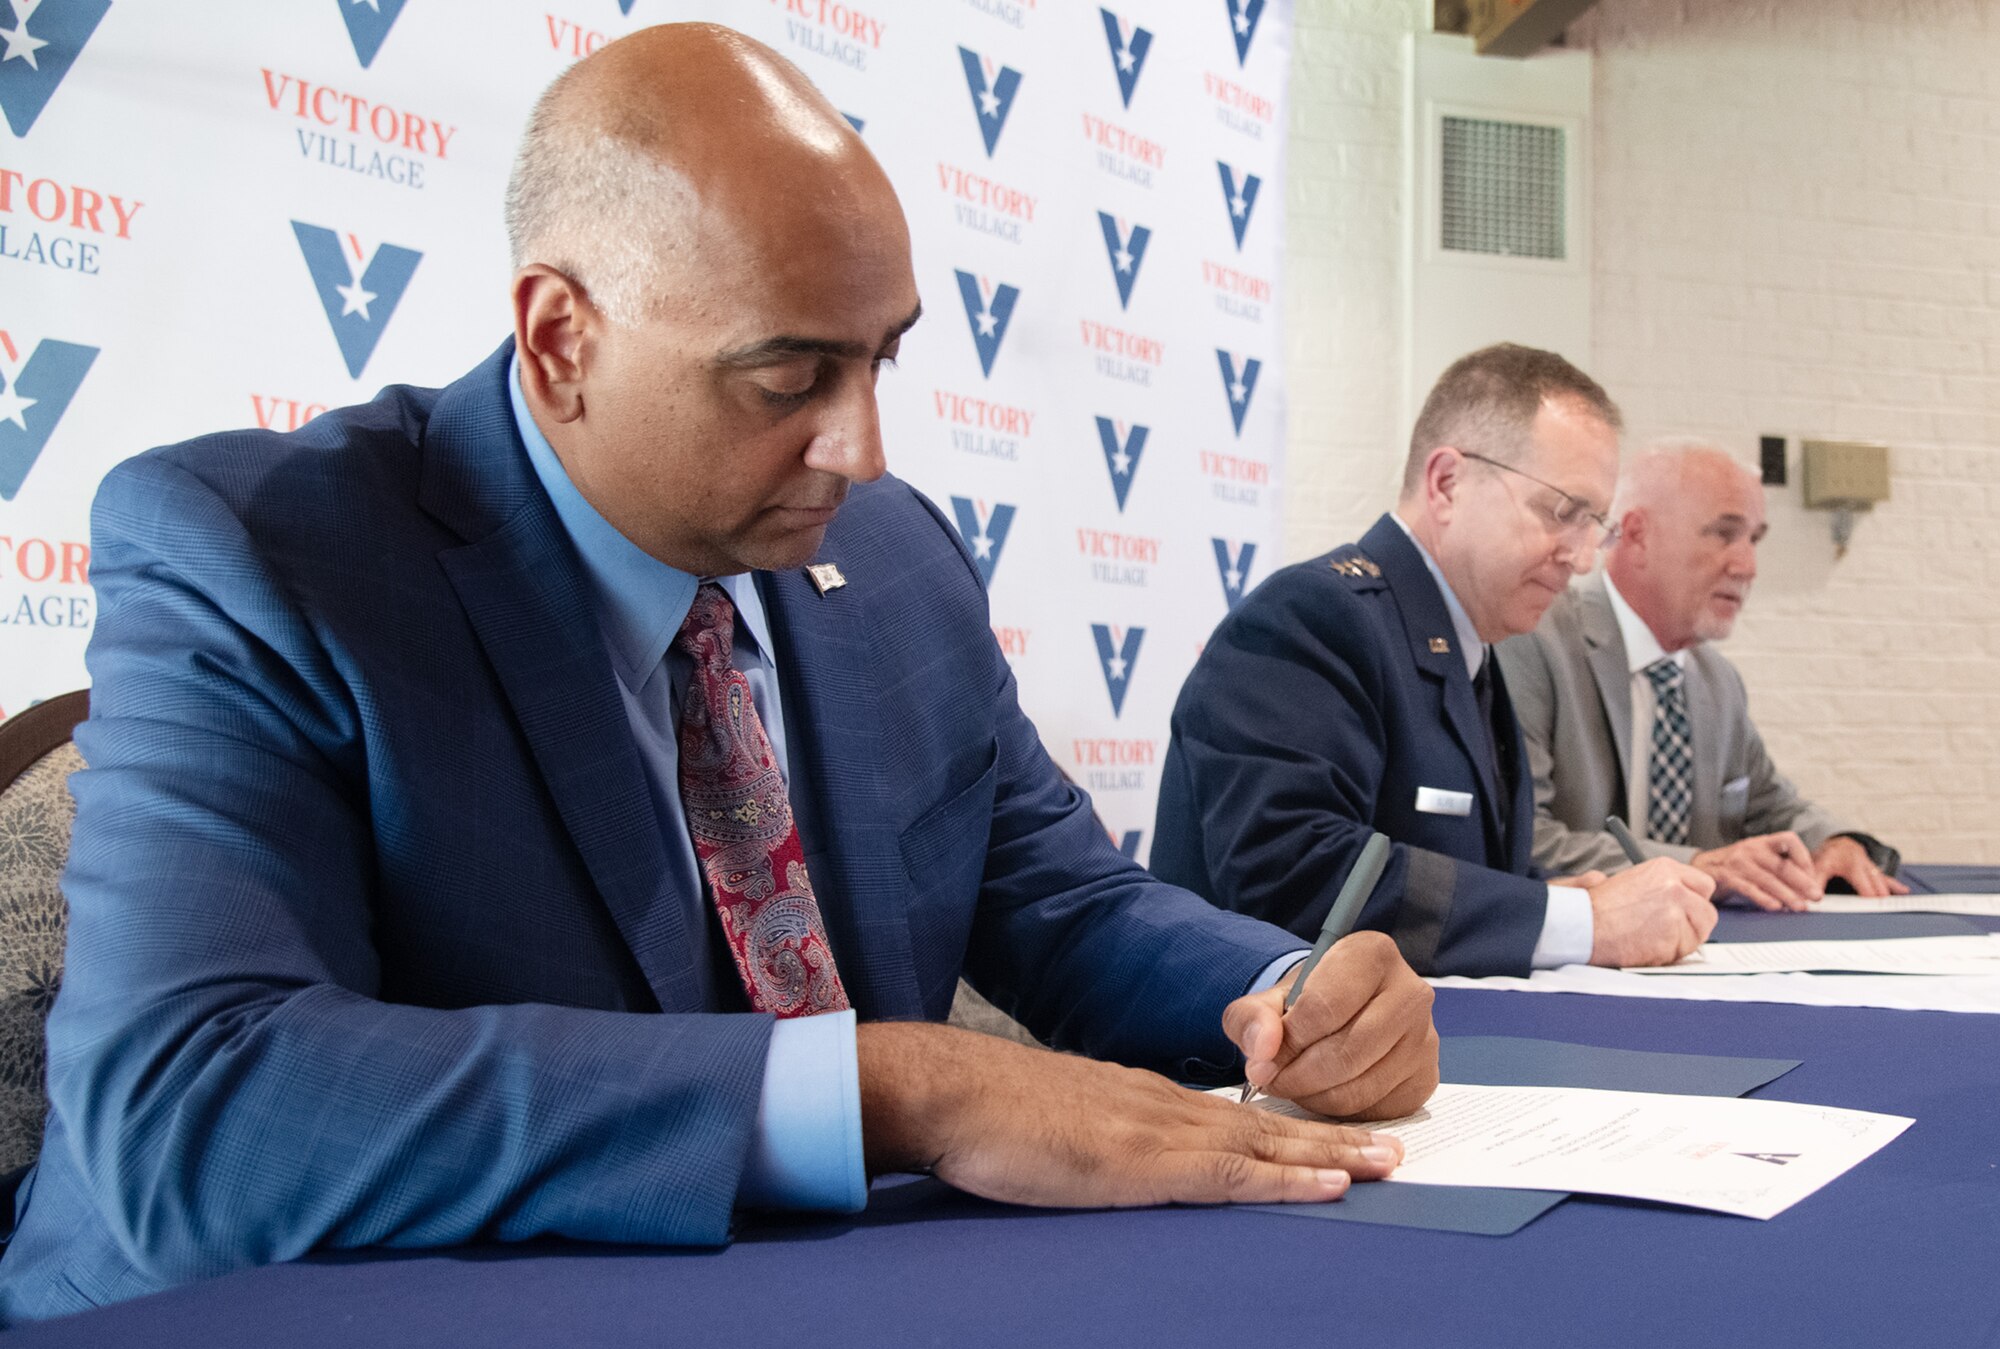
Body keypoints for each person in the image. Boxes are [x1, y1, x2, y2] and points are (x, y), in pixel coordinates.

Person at [0, 25, 1439, 1321]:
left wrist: (1285, 987)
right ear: (562, 337)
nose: (859, 448)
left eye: (885, 362)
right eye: (785, 381)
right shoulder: (262, 554)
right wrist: (894, 1087)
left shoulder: (894, 561)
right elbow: (193, 1103)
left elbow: (1059, 896)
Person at [1152, 344, 1717, 978]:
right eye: (1562, 512)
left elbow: (1448, 861)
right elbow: (1291, 875)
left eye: (1594, 524)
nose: (1583, 557)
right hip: (1244, 1065)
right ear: (1447, 483)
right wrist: (1578, 924)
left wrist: (1552, 897)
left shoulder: (1460, 642)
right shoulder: (1313, 617)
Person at [1497, 439, 1905, 908]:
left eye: (1755, 539)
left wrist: (1836, 841)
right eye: (1723, 534)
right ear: (1637, 535)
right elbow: (1524, 842)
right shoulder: (1533, 644)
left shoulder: (1718, 681)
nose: (1748, 566)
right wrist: (1692, 867)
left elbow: (1769, 808)